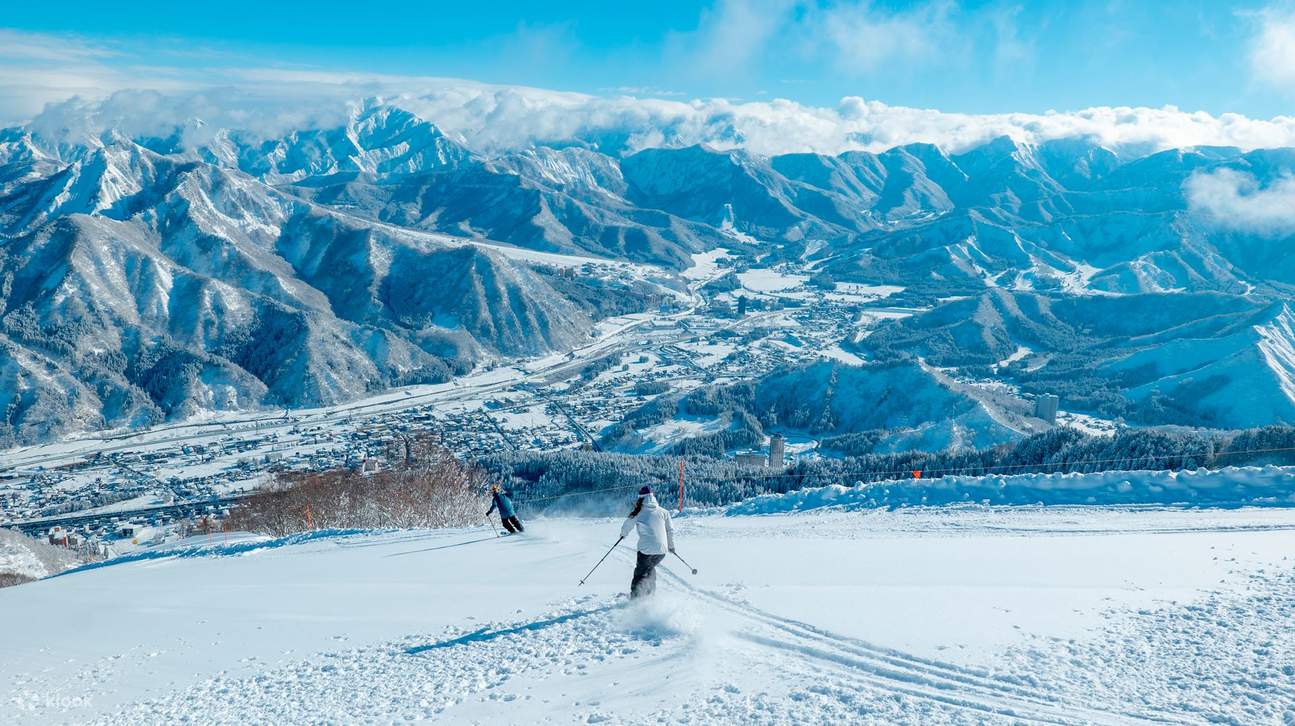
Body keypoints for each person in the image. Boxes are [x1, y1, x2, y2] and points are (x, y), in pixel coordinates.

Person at [619, 485, 675, 599]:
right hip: (661, 551)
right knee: (650, 569)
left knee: (640, 573)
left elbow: (627, 525)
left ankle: (635, 598)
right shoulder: (664, 512)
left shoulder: (638, 512)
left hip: (645, 550)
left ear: (641, 498)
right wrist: (671, 546)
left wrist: (623, 535)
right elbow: (670, 530)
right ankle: (649, 595)